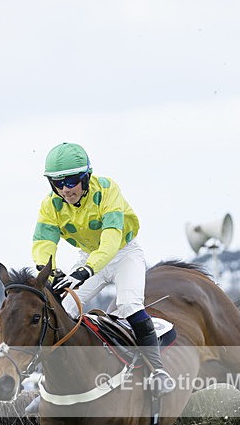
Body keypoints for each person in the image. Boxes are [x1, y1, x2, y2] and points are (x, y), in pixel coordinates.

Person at [32, 142, 174, 395]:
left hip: (123, 253)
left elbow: (110, 241)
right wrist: (52, 273)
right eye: (58, 183)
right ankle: (51, 386)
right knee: (62, 309)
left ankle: (158, 370)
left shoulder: (108, 189)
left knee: (130, 304)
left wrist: (85, 271)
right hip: (88, 256)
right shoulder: (50, 205)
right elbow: (43, 244)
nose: (65, 189)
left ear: (86, 177)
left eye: (72, 180)